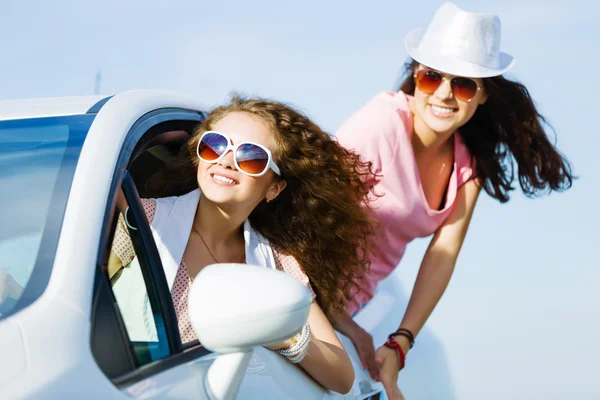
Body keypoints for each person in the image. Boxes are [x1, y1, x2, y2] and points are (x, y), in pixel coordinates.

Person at [331, 2, 574, 399]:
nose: (444, 94)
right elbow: (302, 225)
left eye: (462, 84)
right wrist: (343, 323)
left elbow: (443, 254)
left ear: (481, 96)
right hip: (304, 297)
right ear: (415, 75)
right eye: (432, 77)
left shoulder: (469, 165)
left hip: (357, 308)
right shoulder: (380, 124)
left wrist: (400, 342)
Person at [109, 95, 377, 394]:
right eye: (215, 145)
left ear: (274, 188)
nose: (226, 160)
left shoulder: (278, 263)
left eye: (250, 156)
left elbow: (342, 376)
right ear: (198, 155)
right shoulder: (140, 219)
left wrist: (280, 336)